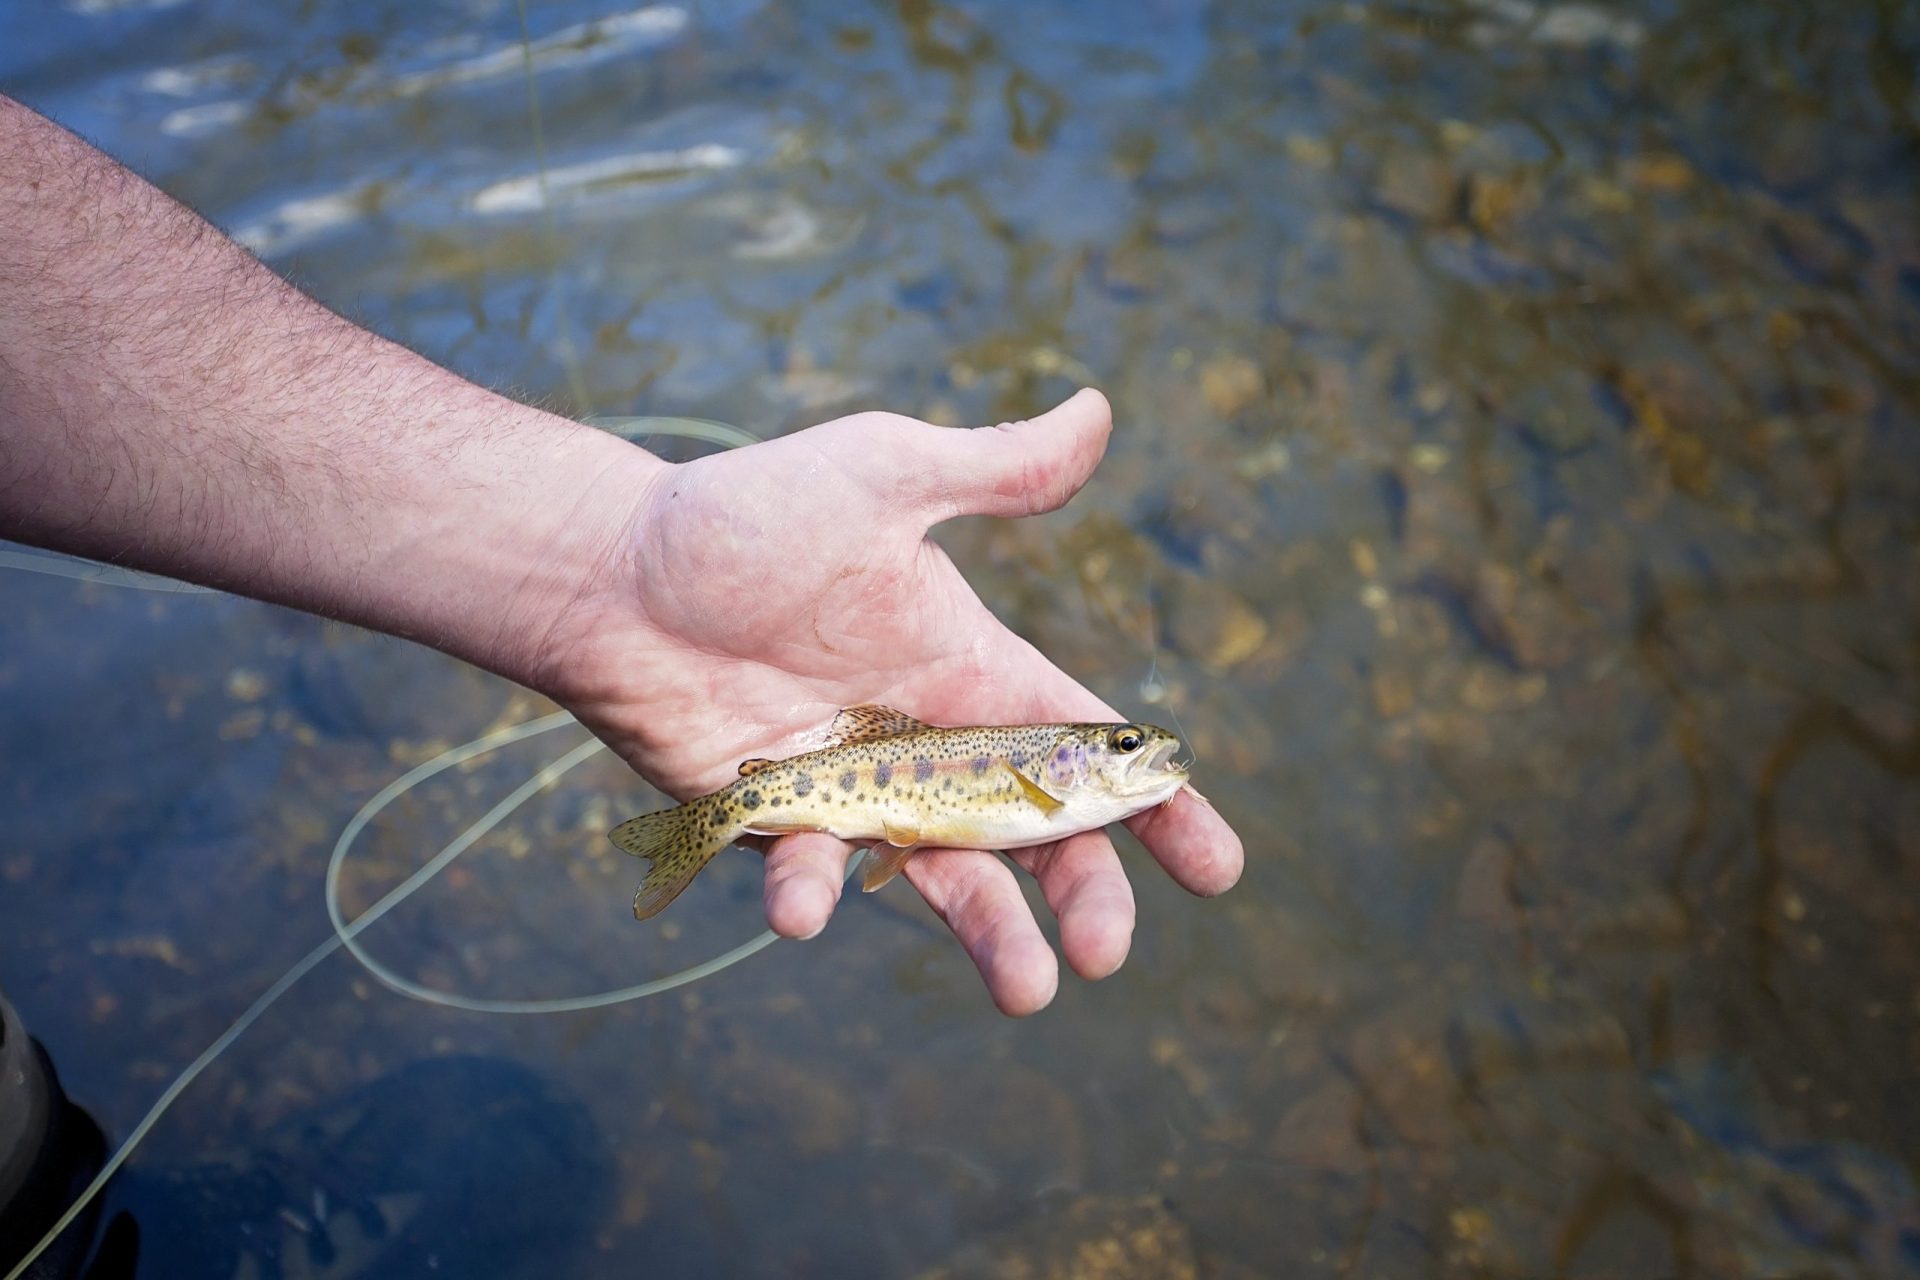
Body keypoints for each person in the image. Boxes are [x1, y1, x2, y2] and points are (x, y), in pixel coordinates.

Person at [0, 92, 1243, 1019]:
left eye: (1130, 745)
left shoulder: (1047, 773)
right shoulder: (1045, 774)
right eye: (1127, 745)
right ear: (1082, 754)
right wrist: (618, 560)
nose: (1140, 752)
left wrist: (606, 560)